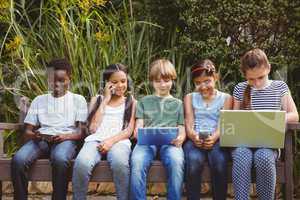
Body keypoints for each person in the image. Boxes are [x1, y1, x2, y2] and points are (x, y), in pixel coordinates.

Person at [11, 58, 88, 200]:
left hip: (66, 140)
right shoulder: (39, 100)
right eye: (53, 80)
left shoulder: (78, 100)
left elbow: (80, 132)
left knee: (60, 159)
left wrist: (65, 137)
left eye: (62, 80)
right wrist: (36, 135)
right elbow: (27, 132)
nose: (57, 84)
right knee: (18, 160)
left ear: (69, 79)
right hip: (41, 141)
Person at [232, 48, 299, 199]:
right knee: (242, 156)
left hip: (269, 145)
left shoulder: (280, 87)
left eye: (261, 77)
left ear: (269, 68)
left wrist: (274, 118)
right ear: (244, 75)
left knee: (263, 156)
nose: (256, 83)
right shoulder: (240, 89)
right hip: (244, 143)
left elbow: (294, 115)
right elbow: (233, 118)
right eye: (251, 79)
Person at [72, 63, 136, 200]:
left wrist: (110, 141)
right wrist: (105, 100)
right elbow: (93, 128)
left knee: (120, 163)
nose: (120, 85)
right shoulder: (97, 100)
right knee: (82, 163)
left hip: (119, 141)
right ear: (107, 83)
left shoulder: (131, 102)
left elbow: (129, 130)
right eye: (114, 82)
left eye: (123, 81)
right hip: (94, 140)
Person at [130, 59, 186, 200]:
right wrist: (137, 131)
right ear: (152, 81)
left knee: (176, 161)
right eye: (157, 81)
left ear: (172, 80)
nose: (162, 85)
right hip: (147, 142)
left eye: (166, 80)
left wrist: (181, 138)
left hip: (170, 142)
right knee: (137, 161)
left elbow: (181, 128)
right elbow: (139, 124)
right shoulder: (144, 101)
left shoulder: (178, 104)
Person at [184, 59, 232, 200]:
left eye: (207, 81)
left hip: (217, 139)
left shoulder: (226, 98)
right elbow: (189, 121)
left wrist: (215, 137)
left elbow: (224, 123)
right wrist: (193, 136)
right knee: (193, 161)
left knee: (219, 162)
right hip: (195, 140)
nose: (203, 86)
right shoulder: (190, 97)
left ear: (215, 78)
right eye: (198, 83)